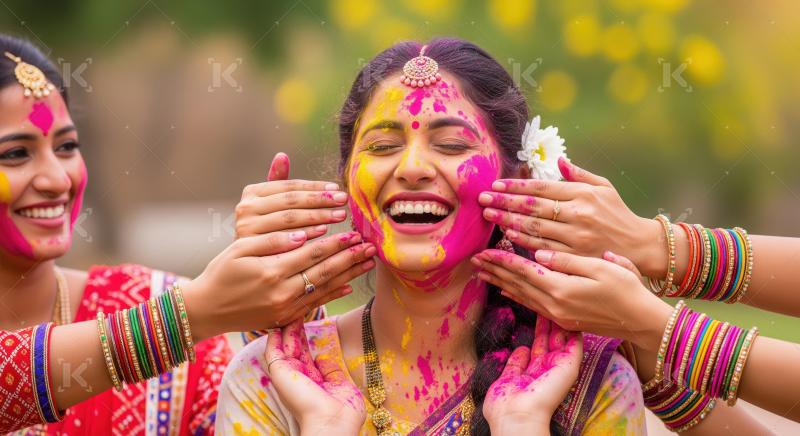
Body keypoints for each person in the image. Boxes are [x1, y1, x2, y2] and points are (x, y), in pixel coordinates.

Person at [216, 38, 647, 435]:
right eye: (383, 147)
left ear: (518, 182)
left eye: (453, 145)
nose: (412, 168)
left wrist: (523, 423)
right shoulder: (275, 379)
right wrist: (326, 426)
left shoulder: (586, 382)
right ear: (347, 182)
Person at [0, 34, 374, 434]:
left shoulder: (148, 303)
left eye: (67, 146)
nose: (58, 179)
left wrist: (281, 313)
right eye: (15, 153)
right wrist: (191, 314)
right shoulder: (184, 313)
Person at [470, 156, 800, 423]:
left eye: (450, 144)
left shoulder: (602, 384)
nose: (415, 169)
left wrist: (654, 323)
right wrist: (650, 247)